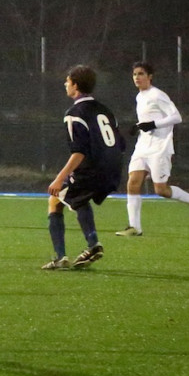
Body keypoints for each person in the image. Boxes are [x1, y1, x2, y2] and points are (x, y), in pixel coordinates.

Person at [43, 65, 125, 270]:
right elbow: (121, 143)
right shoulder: (105, 110)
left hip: (93, 169)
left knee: (55, 199)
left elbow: (79, 152)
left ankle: (62, 257)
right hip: (113, 168)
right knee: (78, 197)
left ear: (75, 85)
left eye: (67, 81)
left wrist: (59, 178)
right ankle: (92, 245)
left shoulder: (74, 113)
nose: (65, 84)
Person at [116, 61, 189, 236]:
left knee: (161, 190)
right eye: (135, 74)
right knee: (133, 183)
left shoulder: (158, 95)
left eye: (141, 74)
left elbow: (177, 117)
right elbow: (148, 120)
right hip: (143, 146)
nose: (137, 77)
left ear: (150, 77)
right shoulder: (139, 97)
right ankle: (134, 227)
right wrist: (138, 126)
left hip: (160, 147)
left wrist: (153, 124)